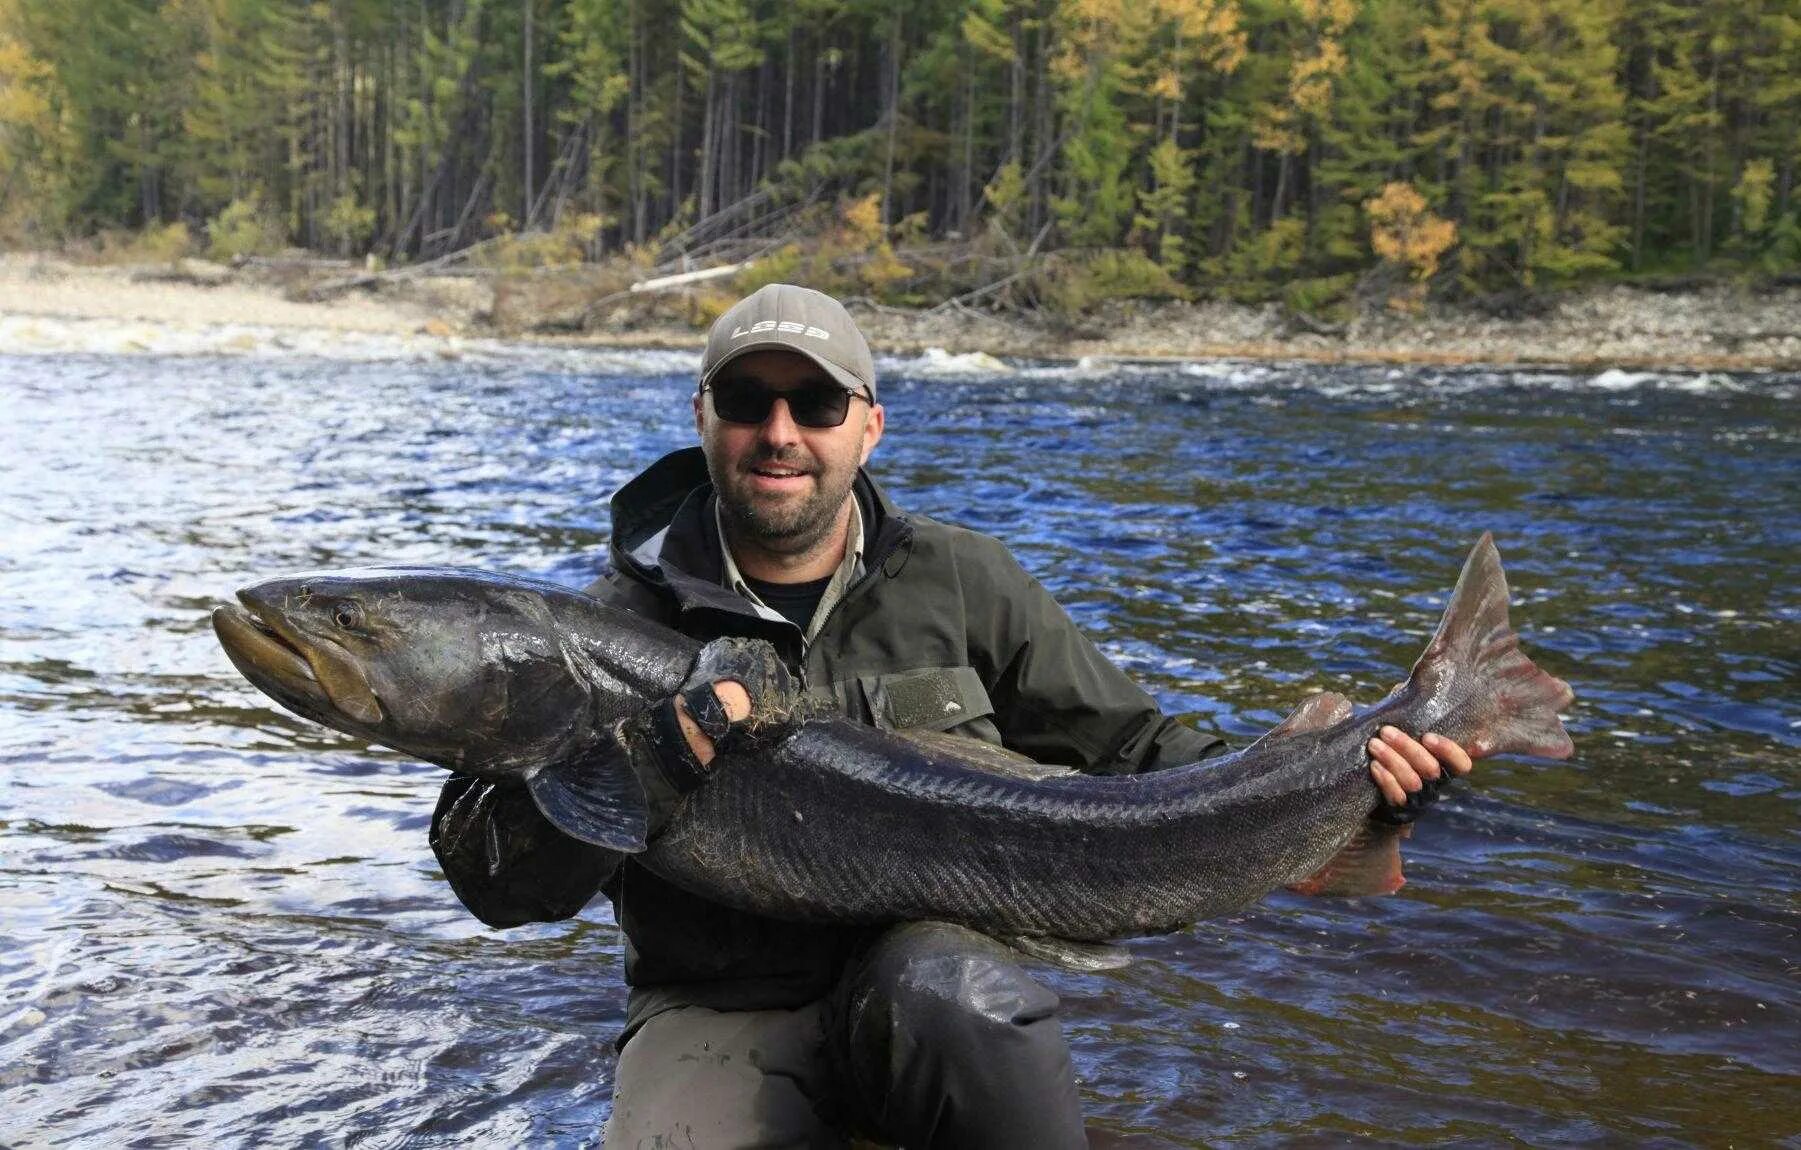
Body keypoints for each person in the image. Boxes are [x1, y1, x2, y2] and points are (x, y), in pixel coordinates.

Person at [429, 284, 1475, 1148]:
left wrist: (1349, 782)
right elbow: (497, 883)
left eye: (817, 405)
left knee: (962, 994)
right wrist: (647, 761)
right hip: (717, 1002)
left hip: (931, 981)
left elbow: (1143, 755)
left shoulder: (965, 581)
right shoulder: (605, 631)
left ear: (869, 426)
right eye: (748, 399)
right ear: (701, 413)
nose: (780, 433)